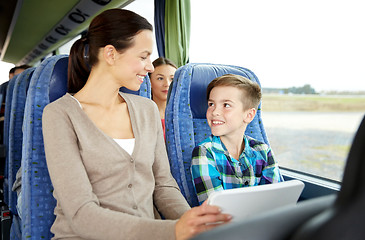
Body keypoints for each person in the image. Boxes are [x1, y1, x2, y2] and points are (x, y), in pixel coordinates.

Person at [42, 9, 231, 240]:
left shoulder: (146, 109)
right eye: (143, 57)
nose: (150, 67)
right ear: (110, 54)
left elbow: (163, 186)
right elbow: (81, 213)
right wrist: (172, 231)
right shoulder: (59, 115)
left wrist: (192, 225)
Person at [191, 74, 283, 204]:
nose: (215, 111)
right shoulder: (204, 153)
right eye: (211, 104)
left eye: (226, 105)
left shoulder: (263, 151)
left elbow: (275, 200)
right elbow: (215, 210)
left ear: (249, 115)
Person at [149, 57, 177, 137]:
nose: (167, 84)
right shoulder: (142, 115)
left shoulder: (183, 117)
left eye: (172, 79)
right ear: (149, 82)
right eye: (160, 78)